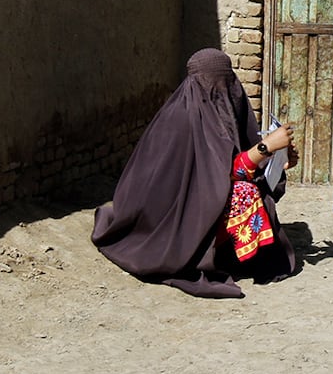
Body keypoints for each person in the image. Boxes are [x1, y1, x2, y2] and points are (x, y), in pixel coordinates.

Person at [92, 49, 297, 298]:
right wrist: (264, 149)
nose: (226, 89)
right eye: (217, 82)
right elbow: (220, 177)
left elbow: (231, 169)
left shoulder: (223, 114)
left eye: (229, 79)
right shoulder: (181, 118)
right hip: (164, 217)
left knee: (247, 190)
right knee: (243, 193)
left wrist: (280, 161)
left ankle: (226, 255)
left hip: (197, 205)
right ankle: (207, 256)